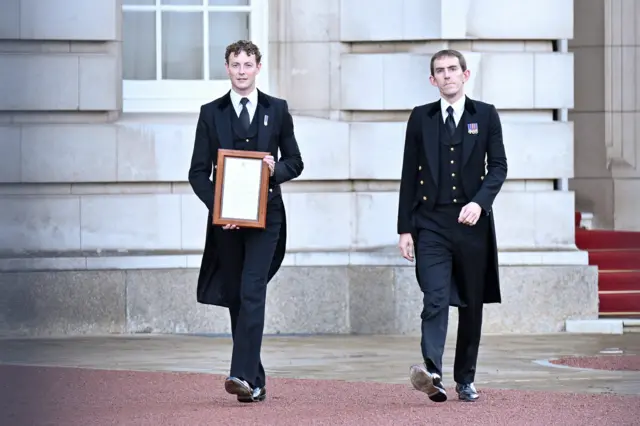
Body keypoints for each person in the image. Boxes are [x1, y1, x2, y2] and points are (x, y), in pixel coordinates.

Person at [188, 40, 303, 403]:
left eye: (247, 64)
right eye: (235, 64)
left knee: (253, 290)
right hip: (227, 225)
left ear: (258, 67)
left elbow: (296, 161)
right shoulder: (211, 113)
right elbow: (197, 174)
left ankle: (240, 375)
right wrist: (220, 208)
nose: (241, 70)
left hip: (267, 219)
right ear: (227, 68)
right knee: (237, 296)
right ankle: (255, 378)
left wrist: (276, 169)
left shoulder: (277, 109)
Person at [396, 49, 507, 403]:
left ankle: (465, 379)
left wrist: (480, 202)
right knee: (435, 297)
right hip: (430, 223)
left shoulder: (485, 115)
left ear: (465, 74)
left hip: (472, 224)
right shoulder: (420, 118)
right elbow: (408, 175)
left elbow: (499, 166)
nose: (447, 75)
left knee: (471, 305)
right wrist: (404, 228)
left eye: (452, 69)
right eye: (440, 71)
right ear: (432, 80)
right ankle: (433, 372)